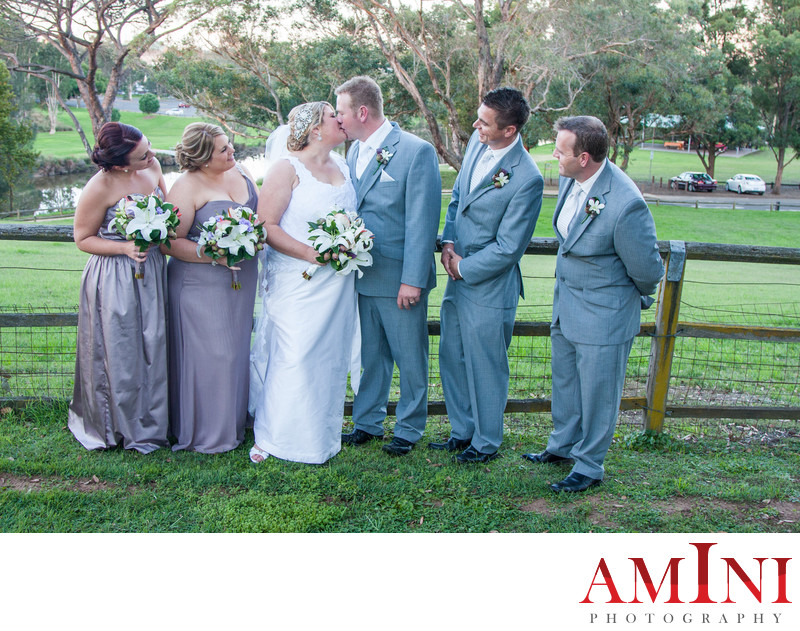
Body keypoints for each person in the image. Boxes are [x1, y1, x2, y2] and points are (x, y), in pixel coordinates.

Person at [522, 115, 665, 492]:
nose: (553, 154)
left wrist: (630, 298)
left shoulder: (625, 203)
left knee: (599, 393)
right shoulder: (573, 182)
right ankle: (562, 447)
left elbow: (648, 268)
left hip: (605, 314)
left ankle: (589, 466)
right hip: (566, 305)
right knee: (566, 384)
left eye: (560, 150)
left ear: (584, 157)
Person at [434, 87, 543, 463]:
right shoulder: (476, 147)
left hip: (489, 286)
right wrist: (448, 243)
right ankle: (462, 431)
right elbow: (458, 201)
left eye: (484, 122)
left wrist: (464, 267)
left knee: (486, 365)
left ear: (509, 130)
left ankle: (486, 441)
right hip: (456, 275)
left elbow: (509, 247)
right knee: (452, 355)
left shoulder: (528, 178)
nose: (475, 125)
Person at [248, 101, 360, 464]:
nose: (340, 120)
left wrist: (351, 242)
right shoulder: (285, 168)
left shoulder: (341, 164)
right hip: (298, 278)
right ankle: (276, 437)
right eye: (333, 117)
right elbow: (266, 226)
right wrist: (312, 253)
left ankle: (320, 436)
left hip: (338, 282)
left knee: (328, 357)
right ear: (315, 129)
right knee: (295, 354)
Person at [335, 76, 441, 456]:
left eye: (341, 111)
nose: (337, 119)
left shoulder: (416, 151)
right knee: (371, 355)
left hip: (400, 277)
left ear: (361, 112)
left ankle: (409, 429)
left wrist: (412, 279)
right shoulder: (353, 152)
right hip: (362, 274)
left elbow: (422, 221)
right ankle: (367, 422)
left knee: (409, 357)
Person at [67, 122, 169, 453]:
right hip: (114, 275)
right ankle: (118, 426)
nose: (152, 155)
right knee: (120, 349)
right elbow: (82, 238)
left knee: (154, 345)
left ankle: (155, 422)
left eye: (149, 146)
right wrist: (125, 248)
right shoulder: (100, 186)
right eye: (142, 154)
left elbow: (168, 212)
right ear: (121, 162)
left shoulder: (152, 167)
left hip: (152, 269)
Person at [165, 123, 259, 453]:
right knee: (212, 355)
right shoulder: (186, 186)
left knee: (234, 353)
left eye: (230, 144)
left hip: (242, 280)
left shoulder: (242, 171)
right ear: (204, 159)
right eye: (223, 149)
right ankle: (205, 431)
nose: (232, 151)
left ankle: (233, 424)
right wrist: (212, 256)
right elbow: (169, 242)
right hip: (200, 283)